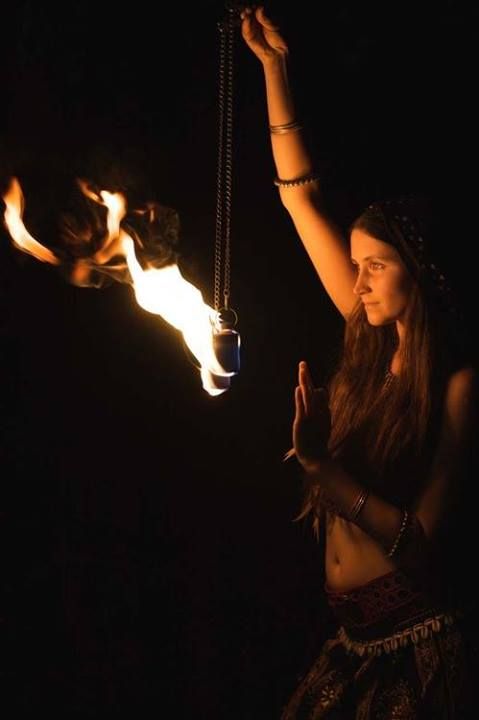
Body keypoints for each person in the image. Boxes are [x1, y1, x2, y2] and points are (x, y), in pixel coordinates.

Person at [241, 6, 477, 719]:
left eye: (376, 266)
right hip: (349, 642)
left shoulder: (460, 386)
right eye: (356, 266)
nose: (361, 281)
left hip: (419, 645)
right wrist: (273, 68)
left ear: (421, 273)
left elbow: (421, 545)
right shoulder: (368, 342)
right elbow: (299, 200)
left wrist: (322, 471)